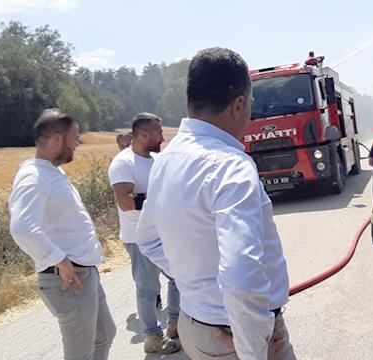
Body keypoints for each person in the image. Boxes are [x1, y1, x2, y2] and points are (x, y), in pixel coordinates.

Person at [135, 47, 296, 360]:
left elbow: (147, 238)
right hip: (236, 337)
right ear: (238, 104)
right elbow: (241, 276)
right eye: (250, 104)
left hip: (195, 327)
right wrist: (252, 351)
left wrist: (196, 282)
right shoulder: (231, 166)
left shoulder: (166, 161)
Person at [8, 108, 116, 360]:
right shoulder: (33, 177)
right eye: (74, 138)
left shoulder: (50, 172)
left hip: (82, 274)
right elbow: (22, 227)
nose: (77, 144)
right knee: (80, 353)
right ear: (57, 139)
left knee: (104, 335)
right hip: (69, 279)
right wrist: (60, 260)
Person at [107, 112, 181, 354]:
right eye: (158, 132)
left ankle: (175, 324)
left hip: (164, 233)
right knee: (148, 288)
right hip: (138, 237)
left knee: (179, 277)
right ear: (143, 134)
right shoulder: (124, 162)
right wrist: (160, 199)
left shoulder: (155, 160)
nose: (162, 137)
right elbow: (125, 201)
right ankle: (152, 337)